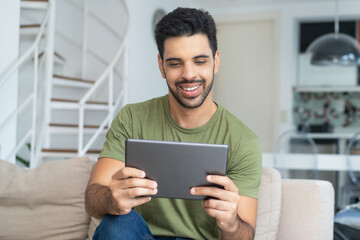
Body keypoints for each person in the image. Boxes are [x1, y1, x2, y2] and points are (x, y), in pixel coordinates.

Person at [85, 7, 262, 240]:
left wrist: (230, 224)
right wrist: (111, 199)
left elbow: (244, 235)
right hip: (141, 236)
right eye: (176, 63)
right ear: (161, 66)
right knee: (116, 223)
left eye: (200, 61)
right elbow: (93, 198)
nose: (189, 74)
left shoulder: (243, 140)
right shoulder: (131, 119)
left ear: (216, 61)